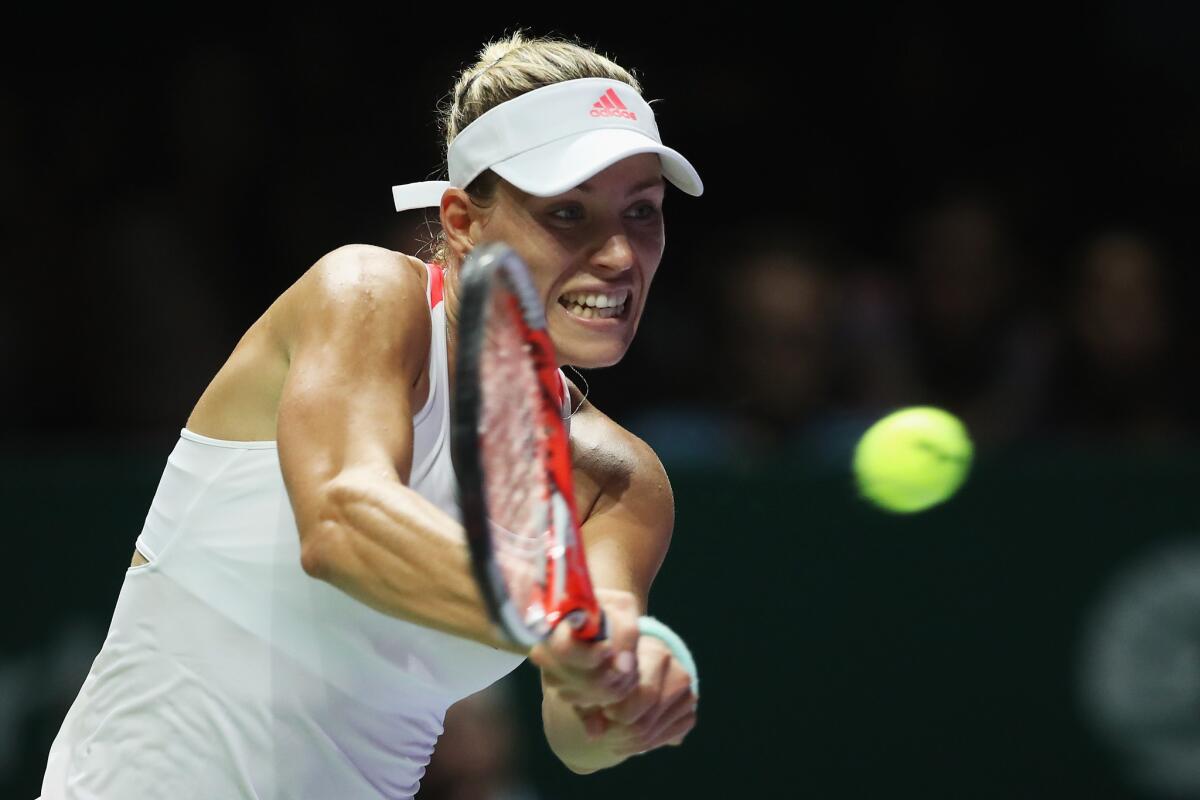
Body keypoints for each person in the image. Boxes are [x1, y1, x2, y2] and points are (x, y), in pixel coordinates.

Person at [38, 32, 702, 799]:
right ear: (461, 221)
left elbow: (575, 722)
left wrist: (619, 701)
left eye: (643, 212)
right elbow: (343, 523)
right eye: (567, 212)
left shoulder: (621, 483)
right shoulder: (366, 294)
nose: (620, 255)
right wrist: (558, 623)